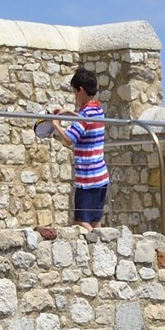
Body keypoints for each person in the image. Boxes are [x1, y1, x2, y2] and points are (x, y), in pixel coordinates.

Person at [48, 66, 108, 227]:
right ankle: (101, 243)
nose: (75, 96)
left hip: (87, 179)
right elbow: (87, 121)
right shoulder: (97, 109)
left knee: (81, 222)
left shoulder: (84, 115)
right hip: (101, 176)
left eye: (75, 92)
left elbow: (69, 139)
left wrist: (56, 125)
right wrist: (70, 113)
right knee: (95, 221)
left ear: (80, 90)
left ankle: (92, 243)